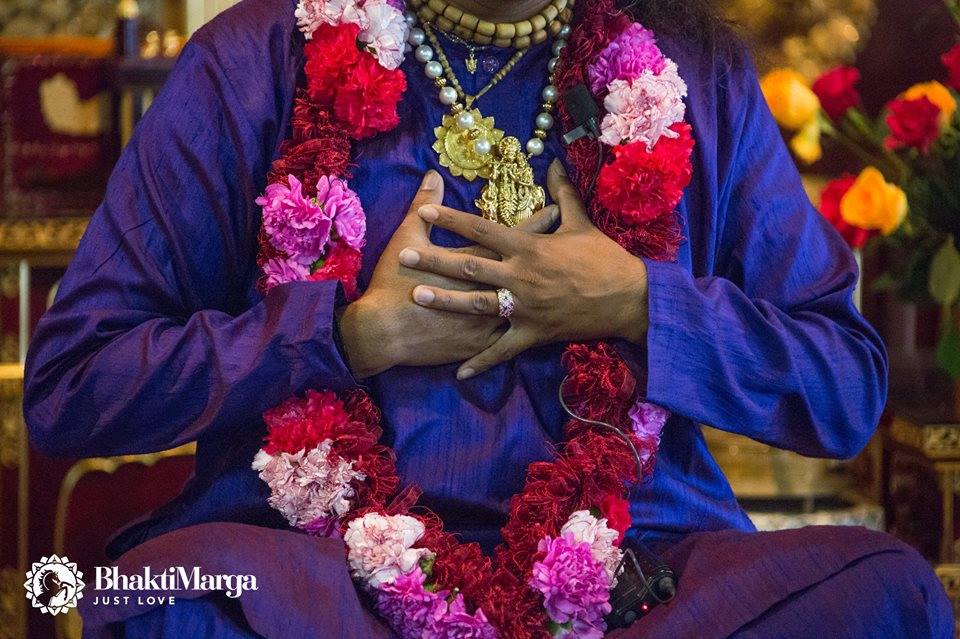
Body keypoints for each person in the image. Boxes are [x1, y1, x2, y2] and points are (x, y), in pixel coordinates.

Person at [22, 0, 953, 636]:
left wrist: (640, 303)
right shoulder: (257, 60)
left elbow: (844, 385)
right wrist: (343, 336)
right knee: (174, 600)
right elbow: (72, 384)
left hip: (643, 579)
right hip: (317, 579)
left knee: (889, 591)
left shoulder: (691, 73)